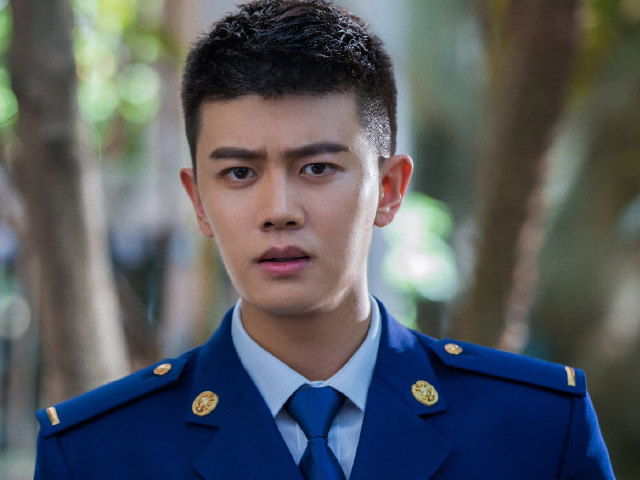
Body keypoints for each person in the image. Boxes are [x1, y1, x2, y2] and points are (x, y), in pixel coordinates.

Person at [34, 1, 615, 479]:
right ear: (199, 201)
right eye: (239, 172)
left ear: (389, 189)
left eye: (316, 168)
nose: (278, 212)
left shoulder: (536, 428)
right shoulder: (98, 453)